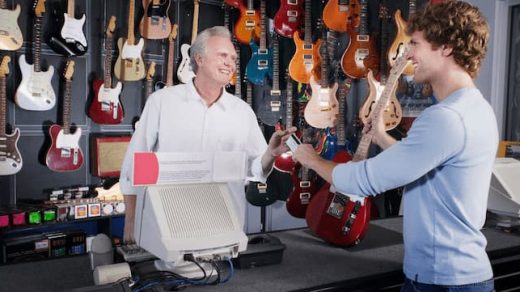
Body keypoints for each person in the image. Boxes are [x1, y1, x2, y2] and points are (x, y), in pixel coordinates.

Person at [293, 1, 497, 291]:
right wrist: (381, 138)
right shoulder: (475, 108)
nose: (408, 53)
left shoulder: (445, 117)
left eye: (415, 44)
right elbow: (420, 164)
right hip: (454, 275)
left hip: (443, 281)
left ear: (446, 47)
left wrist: (311, 159)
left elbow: (363, 180)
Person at [119, 26, 296, 243]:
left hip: (223, 225)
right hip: (168, 224)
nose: (230, 62)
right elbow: (134, 164)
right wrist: (131, 218)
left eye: (232, 57)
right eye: (222, 55)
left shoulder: (242, 112)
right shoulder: (162, 102)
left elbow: (255, 169)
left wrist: (270, 152)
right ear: (199, 59)